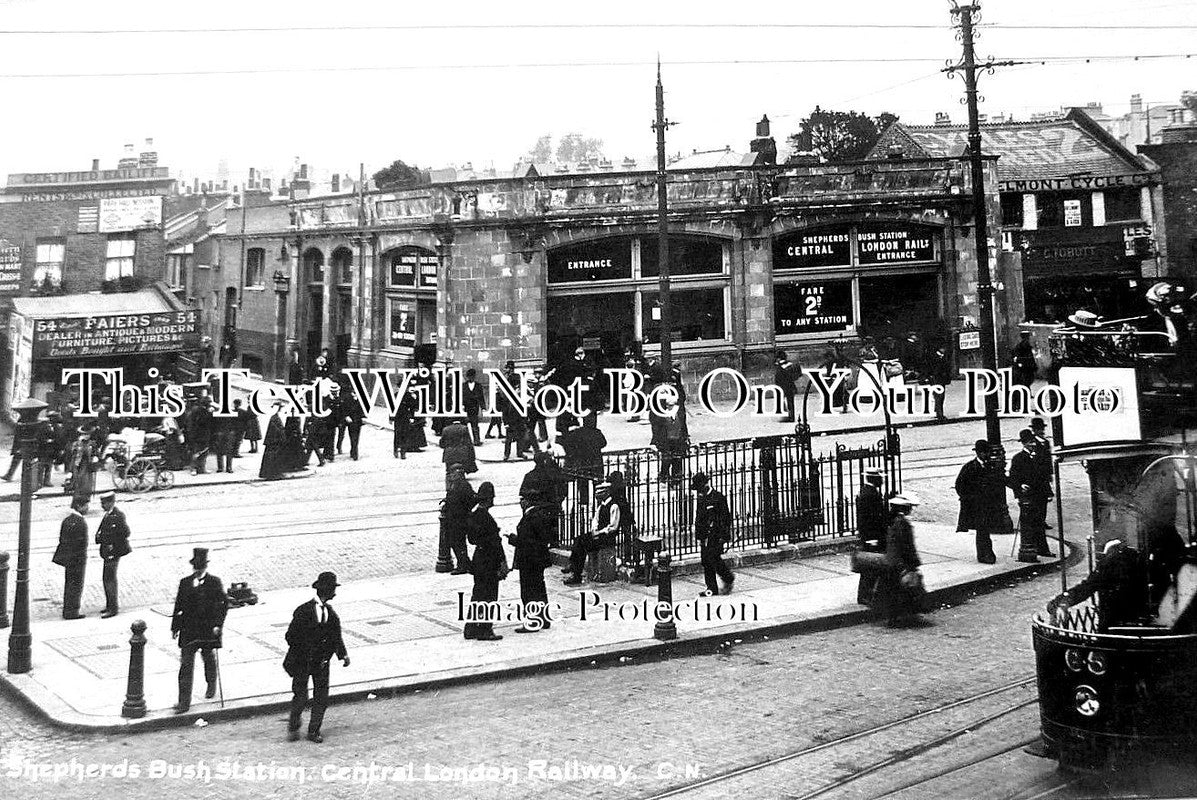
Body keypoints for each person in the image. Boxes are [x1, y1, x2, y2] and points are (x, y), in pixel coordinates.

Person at [284, 571, 349, 743]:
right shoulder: (303, 611)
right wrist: (305, 650)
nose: (335, 592)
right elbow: (290, 636)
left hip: (321, 663)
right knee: (301, 696)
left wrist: (343, 655)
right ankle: (294, 722)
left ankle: (314, 731)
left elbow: (336, 636)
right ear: (326, 590)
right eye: (333, 588)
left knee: (321, 697)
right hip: (302, 662)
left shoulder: (330, 613)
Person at [171, 548, 228, 713]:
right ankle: (183, 703)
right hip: (189, 630)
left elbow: (223, 605)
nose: (197, 571)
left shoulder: (214, 583)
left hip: (207, 629)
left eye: (200, 567)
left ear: (205, 567)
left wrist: (218, 625)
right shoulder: (185, 582)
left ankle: (211, 683)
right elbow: (178, 606)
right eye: (195, 567)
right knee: (186, 665)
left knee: (208, 656)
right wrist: (175, 627)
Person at [1046, 540, 1148, 632]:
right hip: (1140, 619)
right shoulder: (1139, 561)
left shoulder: (1108, 565)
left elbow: (1087, 587)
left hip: (1113, 619)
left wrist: (1059, 601)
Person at [464, 482, 506, 641]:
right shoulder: (486, 518)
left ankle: (471, 628)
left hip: (479, 559)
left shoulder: (474, 515)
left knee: (478, 594)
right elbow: (495, 544)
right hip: (489, 561)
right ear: (489, 499)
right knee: (489, 596)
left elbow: (471, 539)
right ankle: (484, 629)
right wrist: (502, 562)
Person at [874, 494, 924, 627]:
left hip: (892, 561)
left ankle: (893, 617)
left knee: (892, 589)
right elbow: (907, 546)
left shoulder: (893, 521)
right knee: (903, 590)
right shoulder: (903, 524)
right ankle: (904, 617)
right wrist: (914, 562)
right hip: (901, 562)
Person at [509, 496, 556, 633]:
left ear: (528, 501)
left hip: (529, 560)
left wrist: (513, 539)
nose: (520, 502)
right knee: (539, 589)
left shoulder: (532, 517)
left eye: (522, 499)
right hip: (537, 560)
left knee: (529, 591)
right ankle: (543, 619)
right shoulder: (538, 515)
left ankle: (532, 621)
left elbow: (527, 541)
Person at [955, 440, 1004, 564]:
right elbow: (959, 485)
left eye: (987, 452)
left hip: (988, 505)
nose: (986, 454)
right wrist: (969, 498)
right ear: (978, 453)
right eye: (983, 452)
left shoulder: (990, 466)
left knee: (985, 529)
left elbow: (1000, 480)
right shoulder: (970, 467)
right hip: (975, 505)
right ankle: (985, 554)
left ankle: (985, 554)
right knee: (982, 530)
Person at [1008, 429, 1054, 560]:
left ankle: (1042, 549)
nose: (1032, 444)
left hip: (1040, 495)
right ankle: (1032, 549)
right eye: (1029, 442)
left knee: (1040, 521)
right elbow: (1013, 478)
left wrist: (1049, 493)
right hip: (1028, 497)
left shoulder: (1040, 456)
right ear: (1023, 444)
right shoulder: (1018, 458)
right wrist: (1020, 487)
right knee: (1031, 523)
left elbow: (1044, 476)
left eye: (1033, 442)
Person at [563, 480, 619, 586]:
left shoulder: (614, 506)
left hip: (606, 538)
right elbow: (595, 520)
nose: (597, 494)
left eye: (600, 492)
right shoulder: (601, 506)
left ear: (607, 492)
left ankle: (576, 573)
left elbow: (613, 526)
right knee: (578, 539)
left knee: (582, 544)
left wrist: (599, 532)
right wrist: (594, 529)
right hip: (598, 535)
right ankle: (573, 567)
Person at [693, 472, 734, 597]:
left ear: (706, 484)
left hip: (716, 535)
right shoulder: (701, 498)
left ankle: (728, 578)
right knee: (706, 561)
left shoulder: (718, 497)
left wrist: (724, 536)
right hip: (705, 536)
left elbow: (726, 518)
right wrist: (699, 536)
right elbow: (698, 518)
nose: (699, 491)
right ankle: (711, 588)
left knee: (714, 559)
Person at [95, 491, 131, 618]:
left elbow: (126, 532)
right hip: (107, 552)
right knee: (107, 579)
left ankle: (113, 608)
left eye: (104, 503)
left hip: (113, 552)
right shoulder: (108, 515)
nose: (102, 506)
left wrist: (113, 544)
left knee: (110, 580)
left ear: (111, 503)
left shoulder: (117, 516)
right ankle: (109, 605)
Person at [52, 498, 89, 620]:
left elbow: (62, 540)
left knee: (69, 584)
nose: (87, 508)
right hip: (78, 559)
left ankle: (67, 610)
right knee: (76, 585)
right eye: (85, 505)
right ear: (79, 506)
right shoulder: (80, 522)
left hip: (69, 559)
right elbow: (82, 543)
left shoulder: (67, 521)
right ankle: (73, 611)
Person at [855, 467, 888, 605]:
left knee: (872, 567)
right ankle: (864, 596)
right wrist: (871, 538)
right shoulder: (869, 494)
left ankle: (869, 594)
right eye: (880, 478)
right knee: (870, 567)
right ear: (875, 479)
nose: (882, 480)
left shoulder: (869, 491)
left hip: (872, 536)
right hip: (872, 537)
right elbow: (867, 519)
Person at [557, 417, 606, 505]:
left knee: (583, 482)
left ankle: (584, 501)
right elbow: (603, 443)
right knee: (598, 482)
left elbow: (569, 443)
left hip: (583, 461)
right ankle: (599, 500)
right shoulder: (597, 432)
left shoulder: (578, 432)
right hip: (596, 461)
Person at [442, 464, 476, 575]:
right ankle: (466, 563)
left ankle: (463, 565)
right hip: (454, 518)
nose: (450, 475)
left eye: (452, 473)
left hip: (460, 519)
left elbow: (472, 499)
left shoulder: (464, 486)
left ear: (458, 474)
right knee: (456, 542)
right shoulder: (454, 485)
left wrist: (465, 510)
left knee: (458, 542)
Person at [392, 388, 425, 458]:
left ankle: (403, 452)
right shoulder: (395, 395)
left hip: (405, 417)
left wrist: (412, 416)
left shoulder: (408, 396)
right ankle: (395, 449)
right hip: (397, 417)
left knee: (404, 434)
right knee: (397, 434)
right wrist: (391, 417)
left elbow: (413, 406)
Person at [259, 402, 287, 480]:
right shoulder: (275, 417)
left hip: (274, 440)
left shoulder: (276, 417)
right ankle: (272, 474)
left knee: (274, 457)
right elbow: (277, 430)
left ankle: (273, 473)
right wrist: (282, 437)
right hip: (274, 441)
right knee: (272, 457)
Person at [186, 397, 213, 475]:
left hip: (201, 434)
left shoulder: (196, 410)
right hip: (199, 434)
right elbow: (202, 422)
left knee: (202, 451)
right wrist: (209, 413)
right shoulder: (199, 411)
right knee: (198, 452)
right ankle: (194, 468)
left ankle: (201, 468)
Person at [926, 345, 952, 420]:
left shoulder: (942, 356)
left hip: (941, 379)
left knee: (940, 396)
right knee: (939, 396)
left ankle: (938, 411)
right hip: (936, 379)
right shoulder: (934, 357)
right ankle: (940, 414)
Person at [773, 350, 800, 423]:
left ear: (778, 358)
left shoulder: (779, 367)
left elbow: (777, 378)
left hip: (782, 387)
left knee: (781, 400)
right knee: (790, 402)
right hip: (790, 386)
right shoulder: (791, 364)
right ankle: (791, 416)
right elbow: (797, 374)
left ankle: (786, 415)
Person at [210, 407, 239, 473]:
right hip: (225, 433)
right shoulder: (231, 412)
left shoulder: (217, 413)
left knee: (222, 451)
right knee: (226, 451)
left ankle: (221, 467)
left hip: (223, 433)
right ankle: (228, 467)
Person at [339, 388, 365, 460]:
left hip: (358, 420)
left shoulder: (361, 399)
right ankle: (354, 452)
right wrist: (346, 416)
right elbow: (343, 409)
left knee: (356, 437)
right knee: (352, 437)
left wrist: (363, 416)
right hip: (350, 420)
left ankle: (354, 451)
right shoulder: (347, 398)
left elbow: (363, 409)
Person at [462, 369, 486, 447]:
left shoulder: (478, 386)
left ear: (474, 377)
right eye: (469, 377)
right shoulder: (464, 385)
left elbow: (481, 397)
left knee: (475, 424)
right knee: (464, 425)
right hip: (465, 407)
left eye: (472, 376)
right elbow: (461, 396)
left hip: (474, 408)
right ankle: (465, 441)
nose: (470, 378)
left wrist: (483, 407)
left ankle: (476, 440)